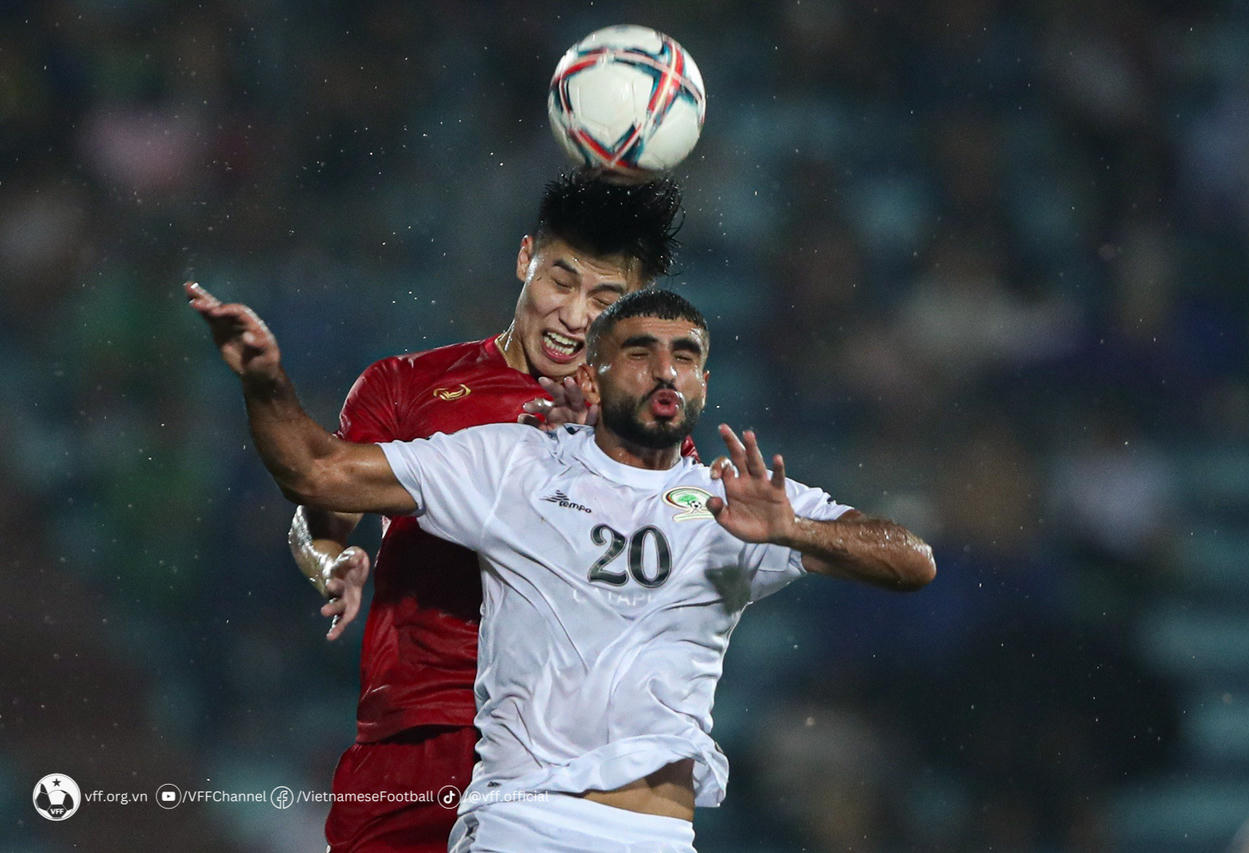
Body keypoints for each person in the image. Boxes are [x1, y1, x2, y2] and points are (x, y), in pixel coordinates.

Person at [188, 283, 936, 851]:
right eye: (640, 352)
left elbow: (913, 562)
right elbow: (318, 472)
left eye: (685, 356)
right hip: (523, 826)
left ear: (705, 383)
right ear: (596, 374)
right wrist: (264, 380)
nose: (665, 370)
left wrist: (793, 528)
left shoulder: (738, 501)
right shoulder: (517, 464)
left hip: (657, 838)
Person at [284, 170, 689, 851]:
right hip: (414, 739)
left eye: (604, 299)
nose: (574, 316)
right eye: (561, 281)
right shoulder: (405, 386)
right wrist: (331, 561)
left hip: (559, 759)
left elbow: (660, 568)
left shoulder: (642, 428)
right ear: (525, 257)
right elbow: (319, 513)